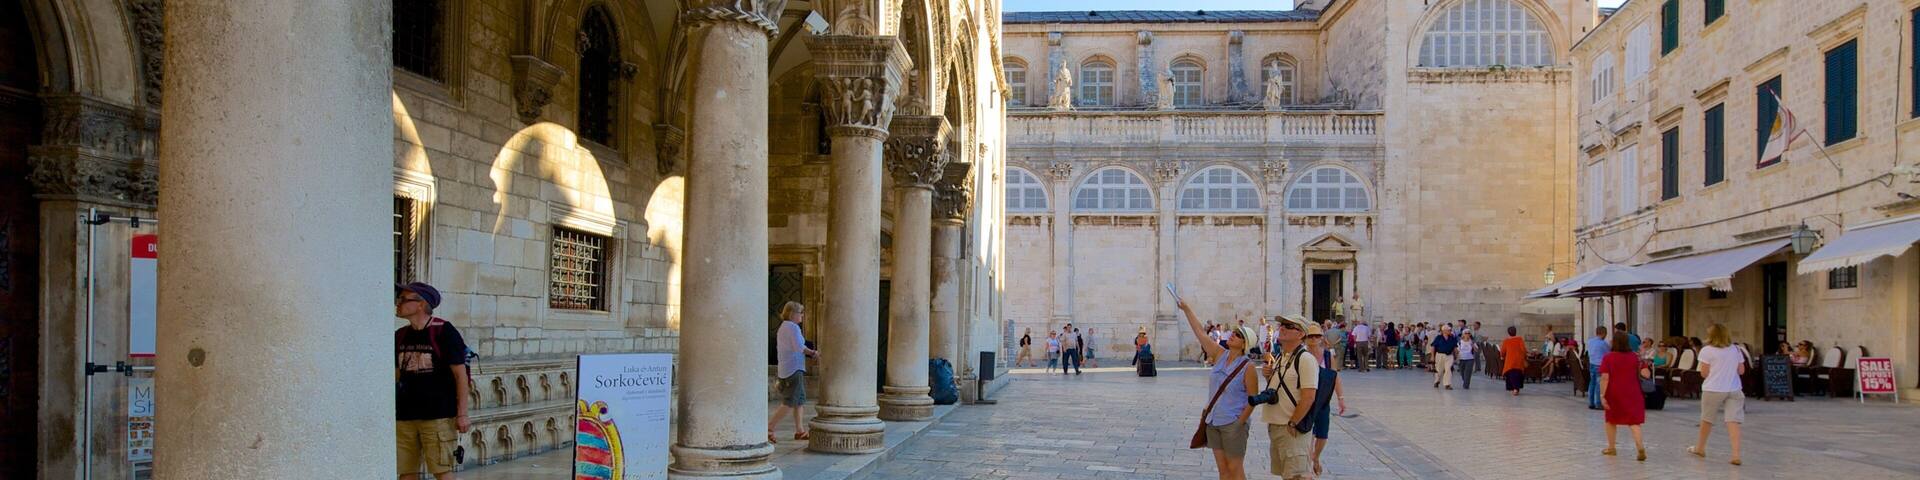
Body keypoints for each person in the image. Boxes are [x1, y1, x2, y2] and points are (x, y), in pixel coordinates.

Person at [394, 282, 470, 480]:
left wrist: (462, 414)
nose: (398, 303)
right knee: (406, 472)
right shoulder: (400, 336)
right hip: (405, 415)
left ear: (421, 304)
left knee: (441, 471)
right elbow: (396, 375)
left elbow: (460, 375)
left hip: (437, 416)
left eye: (403, 299)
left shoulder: (444, 331)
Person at [1177, 299, 1259, 480]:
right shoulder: (1220, 354)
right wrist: (1187, 309)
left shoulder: (1248, 367)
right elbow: (1199, 332)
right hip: (1213, 420)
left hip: (1232, 423)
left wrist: (1240, 423)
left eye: (1238, 335)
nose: (1232, 335)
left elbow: (1253, 399)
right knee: (1223, 470)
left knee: (1235, 469)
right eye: (1234, 332)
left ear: (1245, 344)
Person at [1256, 314, 1319, 480]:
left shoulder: (1305, 359)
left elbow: (1309, 397)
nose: (1282, 328)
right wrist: (1268, 377)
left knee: (1297, 476)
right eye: (1282, 325)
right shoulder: (1281, 357)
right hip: (1277, 426)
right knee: (1287, 475)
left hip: (1291, 429)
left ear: (1300, 334)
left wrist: (1293, 422)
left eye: (1289, 326)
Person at [1691, 324, 1746, 466]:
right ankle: (1735, 454)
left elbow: (1704, 373)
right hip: (1734, 388)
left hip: (1713, 388)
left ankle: (1700, 448)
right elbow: (1741, 371)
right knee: (1733, 421)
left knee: (1707, 419)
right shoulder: (1736, 349)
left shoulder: (1707, 351)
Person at [768, 301, 818, 442]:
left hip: (788, 368)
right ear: (792, 314)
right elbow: (799, 347)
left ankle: (799, 431)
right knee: (789, 402)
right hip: (793, 369)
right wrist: (813, 353)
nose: (802, 315)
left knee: (799, 401)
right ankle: (769, 428)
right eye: (800, 313)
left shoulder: (784, 327)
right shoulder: (792, 327)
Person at [1598, 332, 1647, 461]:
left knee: (1610, 420)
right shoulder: (1634, 357)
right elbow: (1645, 373)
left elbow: (1604, 378)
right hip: (1633, 392)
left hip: (1614, 392)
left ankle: (1611, 447)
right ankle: (1640, 446)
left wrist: (1602, 395)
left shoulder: (1608, 358)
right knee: (1634, 421)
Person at [1305, 324, 1346, 476]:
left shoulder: (1328, 356)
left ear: (1322, 337)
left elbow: (1335, 377)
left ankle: (1315, 457)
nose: (1314, 339)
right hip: (1306, 401)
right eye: (1310, 336)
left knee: (1322, 435)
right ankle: (1308, 468)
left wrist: (1341, 398)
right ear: (1305, 338)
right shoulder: (1302, 355)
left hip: (1323, 401)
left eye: (1317, 336)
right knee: (1308, 435)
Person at [1585, 326, 1610, 409]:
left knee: (1592, 383)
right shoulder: (1603, 343)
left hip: (1591, 363)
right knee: (1599, 384)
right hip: (1599, 365)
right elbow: (1608, 353)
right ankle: (1598, 403)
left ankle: (1591, 402)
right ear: (1603, 333)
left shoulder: (1590, 341)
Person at [1502, 326, 1528, 396]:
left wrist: (1502, 356)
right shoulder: (1520, 339)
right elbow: (1523, 350)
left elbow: (1503, 351)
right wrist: (1525, 356)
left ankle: (1515, 389)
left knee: (1511, 375)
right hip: (1519, 361)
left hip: (1510, 362)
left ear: (1508, 333)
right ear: (1515, 332)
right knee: (1518, 375)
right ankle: (1516, 389)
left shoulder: (1506, 341)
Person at [1431, 325, 1458, 390]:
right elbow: (1433, 346)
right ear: (1444, 331)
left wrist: (1456, 354)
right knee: (1439, 370)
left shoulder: (1452, 338)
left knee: (1448, 369)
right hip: (1440, 355)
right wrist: (1432, 356)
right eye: (1449, 330)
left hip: (1449, 356)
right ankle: (1437, 381)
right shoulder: (1439, 337)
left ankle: (1447, 384)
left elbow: (1455, 347)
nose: (1450, 331)